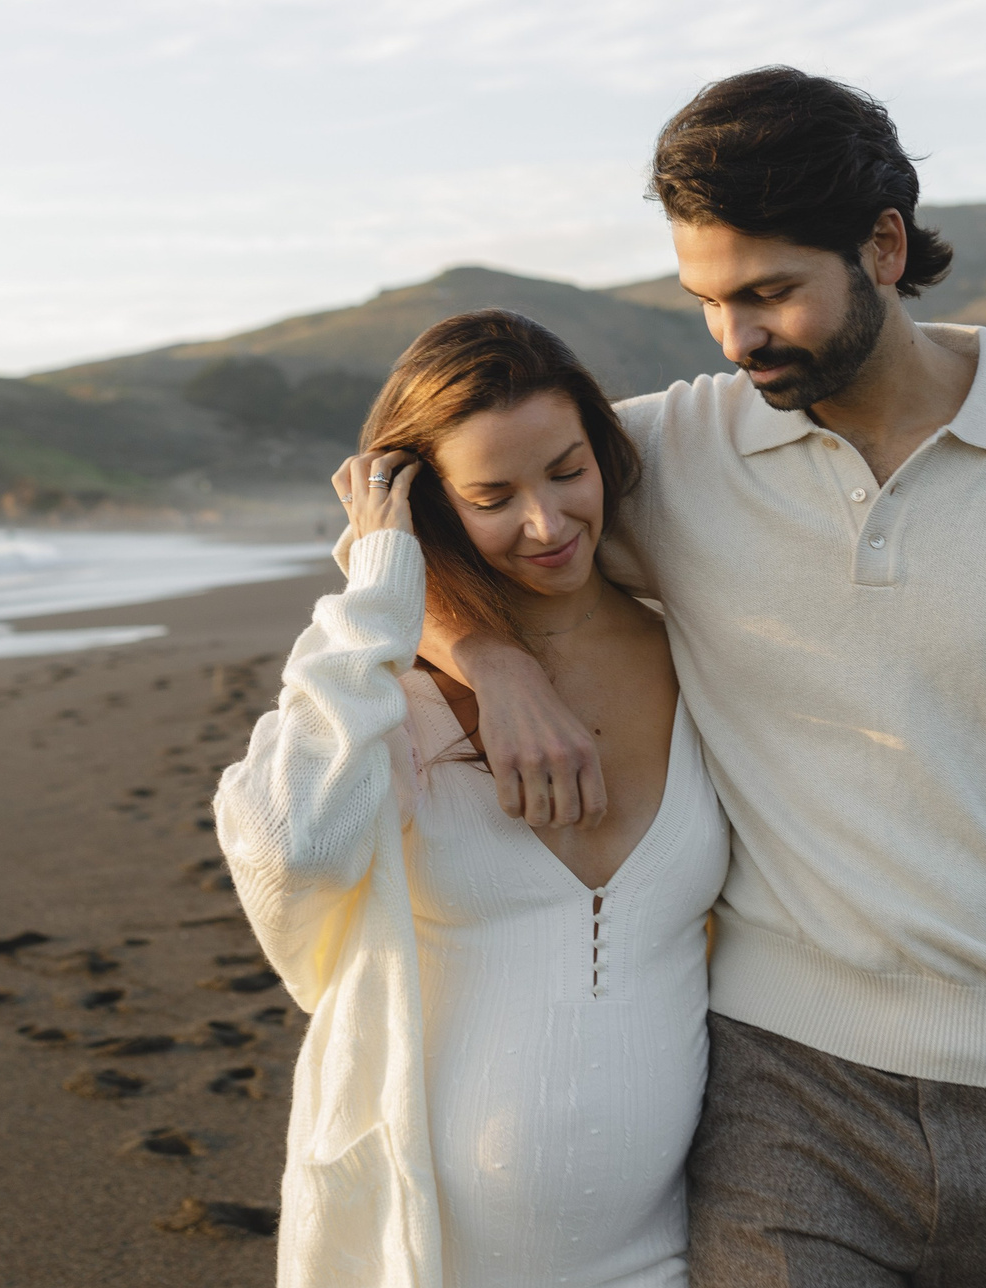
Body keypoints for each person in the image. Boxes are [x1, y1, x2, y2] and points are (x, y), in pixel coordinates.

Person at [426, 68, 986, 1287]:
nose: (735, 336)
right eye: (707, 298)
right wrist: (487, 658)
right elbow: (417, 511)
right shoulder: (667, 452)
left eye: (769, 293)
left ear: (882, 244)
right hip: (787, 1088)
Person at [213, 310, 730, 1287]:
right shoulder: (383, 692)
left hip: (667, 1256)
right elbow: (293, 850)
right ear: (430, 504)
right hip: (426, 1257)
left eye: (566, 471)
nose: (545, 523)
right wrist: (379, 591)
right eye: (492, 495)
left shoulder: (698, 654)